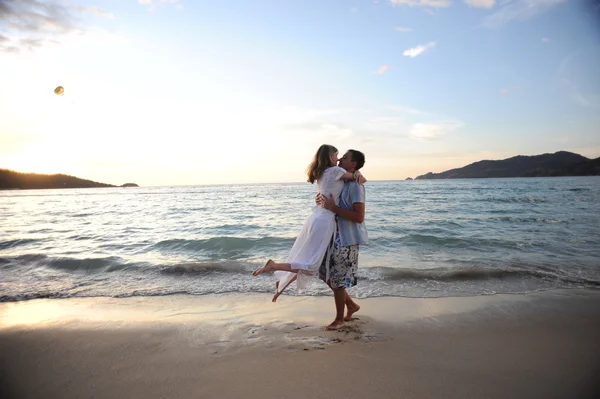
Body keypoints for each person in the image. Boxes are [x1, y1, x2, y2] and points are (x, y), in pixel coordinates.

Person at [252, 144, 366, 302]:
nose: (338, 158)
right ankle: (275, 266)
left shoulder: (321, 172)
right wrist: (359, 174)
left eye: (342, 157)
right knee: (311, 263)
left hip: (316, 218)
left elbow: (344, 180)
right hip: (325, 221)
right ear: (328, 157)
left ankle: (282, 282)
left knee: (307, 258)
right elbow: (356, 177)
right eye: (336, 155)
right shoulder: (336, 171)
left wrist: (357, 171)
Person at [317, 149, 368, 330]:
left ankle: (339, 319)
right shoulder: (343, 181)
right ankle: (352, 305)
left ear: (353, 164)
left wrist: (333, 208)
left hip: (346, 239)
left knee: (337, 280)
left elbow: (359, 217)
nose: (339, 159)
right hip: (332, 235)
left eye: (344, 158)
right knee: (324, 273)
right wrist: (322, 201)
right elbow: (330, 199)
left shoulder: (356, 186)